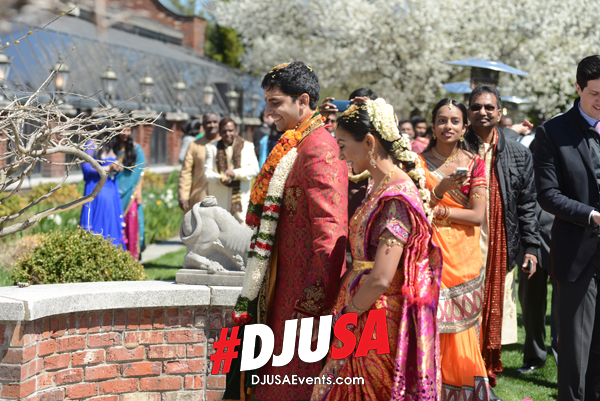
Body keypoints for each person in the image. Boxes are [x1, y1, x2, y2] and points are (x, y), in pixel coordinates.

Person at [229, 62, 348, 401]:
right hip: (283, 288)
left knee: (295, 385)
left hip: (303, 299)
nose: (268, 112)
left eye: (275, 103)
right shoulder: (298, 143)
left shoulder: (319, 148)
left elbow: (331, 232)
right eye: (267, 102)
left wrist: (313, 302)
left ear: (303, 100)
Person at [312, 97, 441, 400]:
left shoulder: (396, 197)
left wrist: (349, 315)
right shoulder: (379, 185)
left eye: (343, 145)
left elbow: (382, 277)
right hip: (364, 306)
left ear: (369, 142)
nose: (340, 155)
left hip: (375, 315)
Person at [464, 84, 540, 400]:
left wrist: (532, 246)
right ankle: (461, 378)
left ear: (499, 112)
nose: (482, 112)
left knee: (490, 314)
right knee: (463, 316)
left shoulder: (518, 153)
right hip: (461, 247)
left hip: (500, 247)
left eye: (489, 107)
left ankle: (483, 380)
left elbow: (527, 203)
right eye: (476, 107)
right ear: (468, 112)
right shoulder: (455, 148)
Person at [534, 55, 600, 401]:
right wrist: (592, 215)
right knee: (575, 348)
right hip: (576, 253)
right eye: (595, 94)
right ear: (578, 88)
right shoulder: (552, 132)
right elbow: (548, 195)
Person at [418, 98, 489, 400]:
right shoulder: (417, 163)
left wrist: (439, 210)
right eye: (442, 120)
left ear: (464, 127)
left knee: (461, 332)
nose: (448, 126)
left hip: (463, 258)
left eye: (455, 121)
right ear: (433, 125)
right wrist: (441, 189)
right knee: (428, 329)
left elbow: (477, 216)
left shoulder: (475, 163)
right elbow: (414, 209)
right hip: (427, 256)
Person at [204, 117, 259, 223]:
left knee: (241, 230)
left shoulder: (247, 146)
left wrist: (235, 174)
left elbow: (254, 169)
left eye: (230, 131)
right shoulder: (212, 148)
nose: (228, 134)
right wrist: (220, 179)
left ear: (236, 131)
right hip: (219, 201)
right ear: (220, 132)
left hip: (241, 202)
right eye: (224, 131)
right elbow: (207, 173)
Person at [80, 130, 126, 248]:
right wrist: (107, 168)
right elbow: (86, 168)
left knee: (111, 220)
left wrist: (117, 168)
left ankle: (112, 252)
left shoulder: (110, 144)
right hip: (98, 187)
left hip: (111, 187)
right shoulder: (91, 144)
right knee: (101, 219)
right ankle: (98, 251)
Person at [177, 112, 220, 213]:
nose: (212, 125)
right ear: (203, 125)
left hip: (221, 196)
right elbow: (186, 172)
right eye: (208, 122)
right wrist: (183, 195)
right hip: (200, 196)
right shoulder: (194, 145)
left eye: (215, 122)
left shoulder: (225, 143)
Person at [114, 126, 146, 260]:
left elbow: (139, 172)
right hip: (114, 192)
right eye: (122, 129)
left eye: (128, 130)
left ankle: (132, 259)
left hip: (131, 193)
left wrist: (137, 192)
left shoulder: (135, 148)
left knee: (131, 223)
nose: (125, 133)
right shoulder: (112, 148)